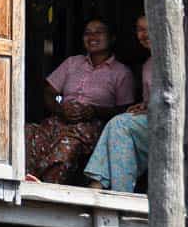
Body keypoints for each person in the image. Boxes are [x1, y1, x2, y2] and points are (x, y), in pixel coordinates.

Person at [25, 17, 135, 184]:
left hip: (91, 126)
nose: (92, 37)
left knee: (68, 144)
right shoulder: (72, 63)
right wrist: (60, 109)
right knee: (28, 132)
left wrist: (93, 111)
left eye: (99, 32)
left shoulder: (121, 72)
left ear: (111, 38)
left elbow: (125, 110)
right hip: (60, 120)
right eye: (87, 33)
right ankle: (26, 179)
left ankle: (48, 186)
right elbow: (48, 91)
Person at [84, 15, 152, 192]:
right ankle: (98, 184)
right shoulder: (148, 65)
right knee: (120, 125)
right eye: (140, 29)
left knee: (119, 124)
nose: (144, 34)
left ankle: (117, 191)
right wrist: (145, 105)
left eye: (149, 28)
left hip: (176, 124)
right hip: (154, 121)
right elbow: (152, 100)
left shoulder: (179, 60)